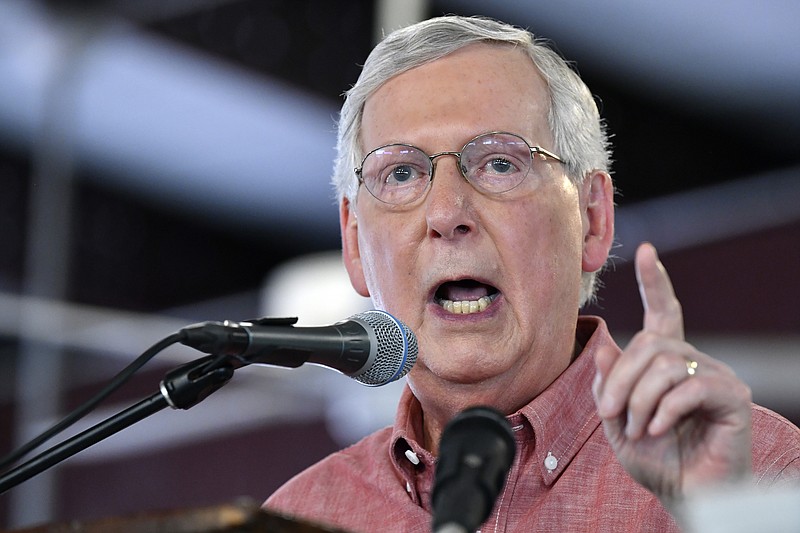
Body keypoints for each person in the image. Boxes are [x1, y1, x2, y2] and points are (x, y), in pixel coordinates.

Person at [264, 15, 800, 532]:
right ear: (354, 242)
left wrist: (723, 520)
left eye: (499, 163)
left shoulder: (756, 477)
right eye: (401, 173)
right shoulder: (302, 517)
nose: (448, 213)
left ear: (592, 219)